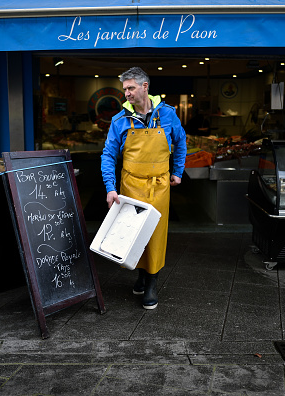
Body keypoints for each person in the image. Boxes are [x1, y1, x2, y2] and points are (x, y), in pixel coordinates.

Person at [101, 67, 187, 310]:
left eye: (130, 88)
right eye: (124, 89)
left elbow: (181, 142)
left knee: (155, 234)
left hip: (159, 186)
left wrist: (177, 172)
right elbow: (108, 155)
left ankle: (151, 282)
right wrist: (110, 187)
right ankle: (140, 273)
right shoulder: (119, 120)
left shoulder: (168, 114)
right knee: (133, 233)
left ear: (145, 86)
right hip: (130, 186)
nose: (126, 93)